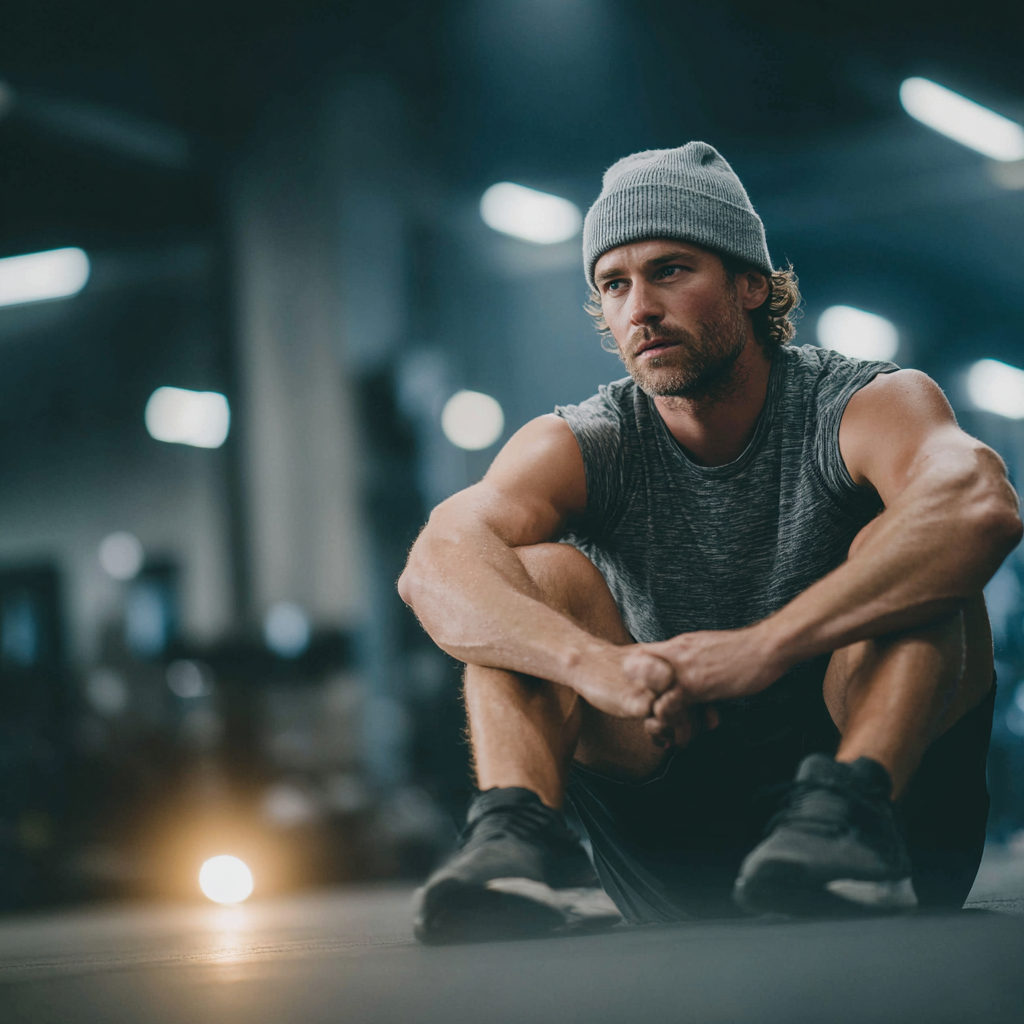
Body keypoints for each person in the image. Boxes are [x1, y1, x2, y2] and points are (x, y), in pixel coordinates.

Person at [398, 142, 1022, 943]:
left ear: (751, 284)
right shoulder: (588, 441)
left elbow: (980, 505)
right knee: (531, 576)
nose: (639, 308)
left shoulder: (863, 402)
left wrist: (764, 647)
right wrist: (595, 666)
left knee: (915, 551)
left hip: (887, 840)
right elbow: (435, 564)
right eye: (614, 285)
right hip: (680, 849)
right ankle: (514, 843)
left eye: (671, 271)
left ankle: (844, 816)